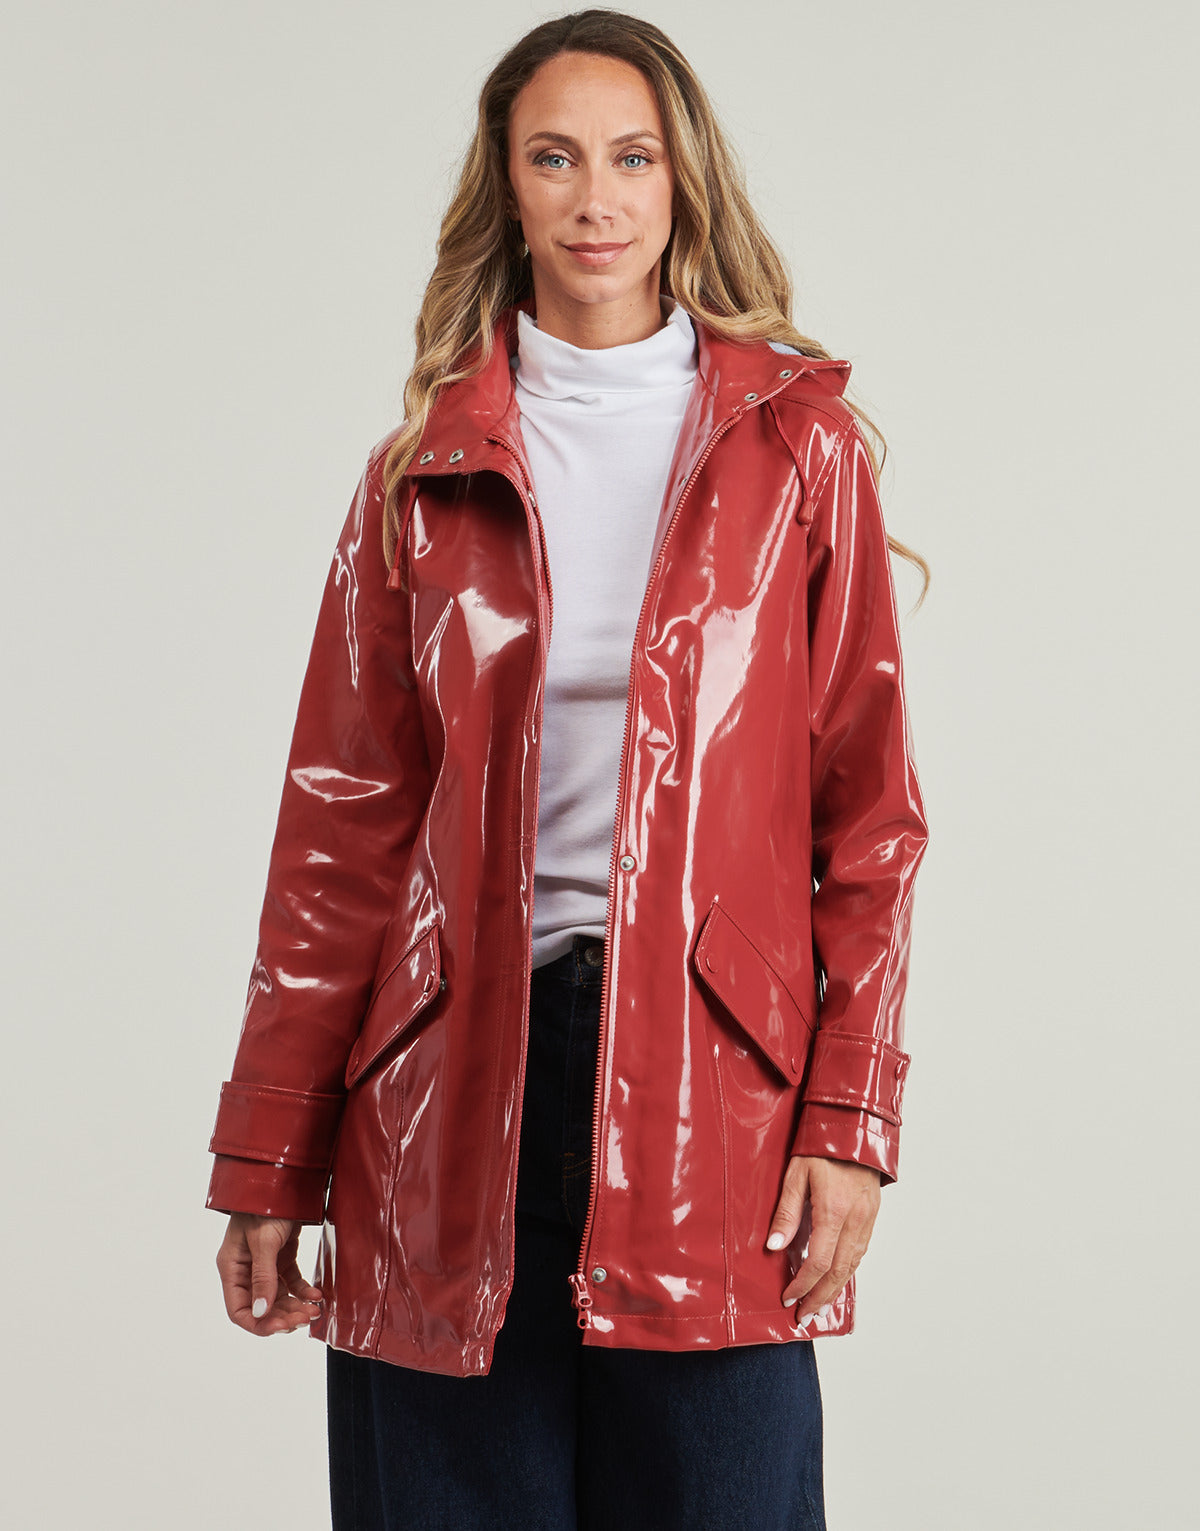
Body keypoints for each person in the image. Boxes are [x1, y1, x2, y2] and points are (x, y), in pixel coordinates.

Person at [207, 10, 929, 1528]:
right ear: (507, 188)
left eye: (631, 157)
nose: (596, 198)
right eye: (555, 158)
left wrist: (848, 1122)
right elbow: (339, 834)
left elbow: (868, 823)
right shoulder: (418, 475)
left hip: (716, 1101)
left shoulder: (800, 455)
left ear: (681, 182)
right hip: (446, 1096)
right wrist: (269, 1151)